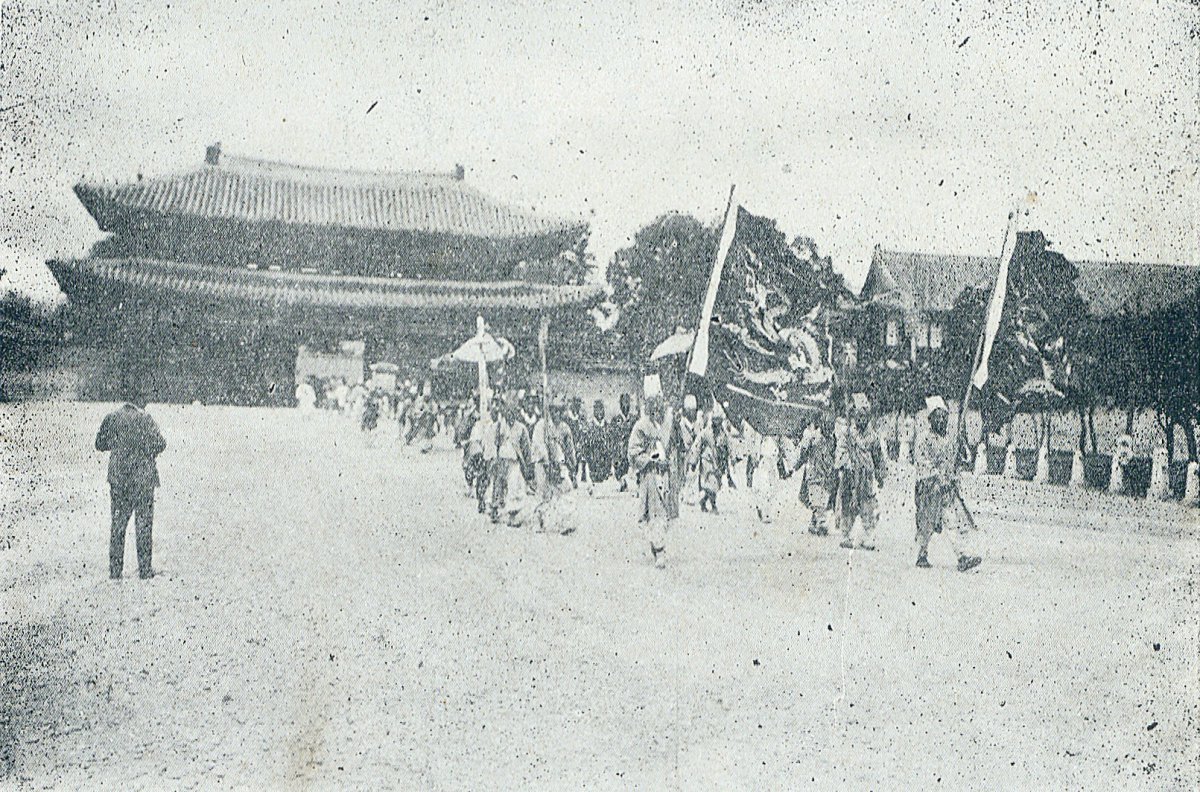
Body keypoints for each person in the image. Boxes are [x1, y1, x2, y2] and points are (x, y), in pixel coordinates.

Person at [95, 385, 166, 580]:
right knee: (143, 526)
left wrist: (119, 445)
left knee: (117, 526)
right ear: (139, 399)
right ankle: (144, 569)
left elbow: (99, 444)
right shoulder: (145, 419)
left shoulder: (112, 418)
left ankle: (115, 571)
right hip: (143, 479)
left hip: (118, 479)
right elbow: (161, 443)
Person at [913, 396, 983, 572]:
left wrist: (960, 448)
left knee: (952, 522)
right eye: (937, 416)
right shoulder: (924, 439)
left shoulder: (950, 439)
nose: (941, 420)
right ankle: (921, 553)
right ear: (930, 420)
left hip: (946, 490)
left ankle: (962, 556)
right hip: (930, 489)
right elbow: (923, 463)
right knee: (927, 524)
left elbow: (958, 461)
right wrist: (936, 478)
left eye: (944, 416)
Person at [834, 393, 888, 551]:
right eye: (859, 416)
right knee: (848, 504)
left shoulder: (873, 437)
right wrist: (846, 462)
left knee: (868, 505)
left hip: (866, 476)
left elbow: (878, 457)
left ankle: (868, 534)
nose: (862, 420)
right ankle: (845, 533)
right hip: (851, 475)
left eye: (865, 417)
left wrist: (880, 474)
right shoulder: (847, 434)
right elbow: (840, 451)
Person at [628, 395, 673, 568]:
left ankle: (657, 545)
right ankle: (660, 551)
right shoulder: (641, 427)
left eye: (660, 408)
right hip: (650, 475)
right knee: (656, 513)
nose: (658, 411)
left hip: (665, 474)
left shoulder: (665, 425)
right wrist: (652, 459)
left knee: (664, 513)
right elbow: (633, 452)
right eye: (655, 408)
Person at [798, 411, 837, 536]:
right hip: (814, 472)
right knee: (816, 499)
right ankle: (821, 522)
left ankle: (814, 522)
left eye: (831, 425)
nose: (829, 428)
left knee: (823, 499)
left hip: (826, 474)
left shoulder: (833, 439)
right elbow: (803, 453)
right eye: (827, 425)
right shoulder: (813, 437)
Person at [691, 406, 730, 514]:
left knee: (716, 484)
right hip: (707, 460)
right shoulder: (706, 432)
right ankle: (713, 506)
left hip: (717, 462)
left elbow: (727, 447)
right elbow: (697, 444)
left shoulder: (723, 433)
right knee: (711, 484)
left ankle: (703, 502)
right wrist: (694, 461)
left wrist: (727, 462)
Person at [611, 393, 636, 492]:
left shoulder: (634, 419)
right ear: (620, 404)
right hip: (619, 453)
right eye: (623, 402)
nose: (625, 405)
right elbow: (612, 438)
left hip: (630, 451)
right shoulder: (615, 420)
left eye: (627, 402)